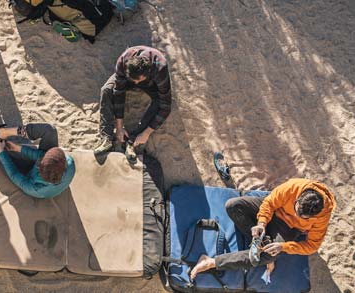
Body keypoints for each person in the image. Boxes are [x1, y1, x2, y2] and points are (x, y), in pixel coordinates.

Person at [189, 178, 337, 280]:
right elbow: (269, 203)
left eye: (302, 216)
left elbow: (312, 246)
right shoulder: (294, 187)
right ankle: (260, 243)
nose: (295, 214)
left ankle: (212, 262)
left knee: (266, 256)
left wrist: (283, 246)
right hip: (273, 211)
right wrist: (261, 223)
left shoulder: (322, 216)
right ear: (298, 197)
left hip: (288, 229)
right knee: (233, 206)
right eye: (296, 208)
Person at [95, 46, 173, 161]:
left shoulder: (160, 67)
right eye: (133, 80)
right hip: (128, 78)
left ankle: (132, 141)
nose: (135, 83)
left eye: (138, 81)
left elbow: (166, 105)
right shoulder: (123, 61)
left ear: (148, 72)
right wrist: (119, 126)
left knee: (158, 102)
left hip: (150, 84)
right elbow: (119, 92)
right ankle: (106, 137)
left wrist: (147, 133)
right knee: (106, 90)